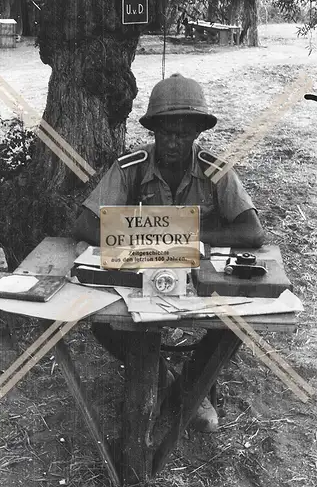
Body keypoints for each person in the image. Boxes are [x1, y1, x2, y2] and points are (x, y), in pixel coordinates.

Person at [73, 73, 265, 431]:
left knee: (237, 323)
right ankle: (167, 382)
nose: (174, 143)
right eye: (166, 133)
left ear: (197, 133)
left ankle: (190, 386)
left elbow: (252, 231)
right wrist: (142, 234)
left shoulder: (215, 169)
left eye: (184, 134)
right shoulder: (131, 166)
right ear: (154, 132)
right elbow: (84, 225)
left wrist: (188, 235)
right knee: (100, 320)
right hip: (142, 275)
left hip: (198, 278)